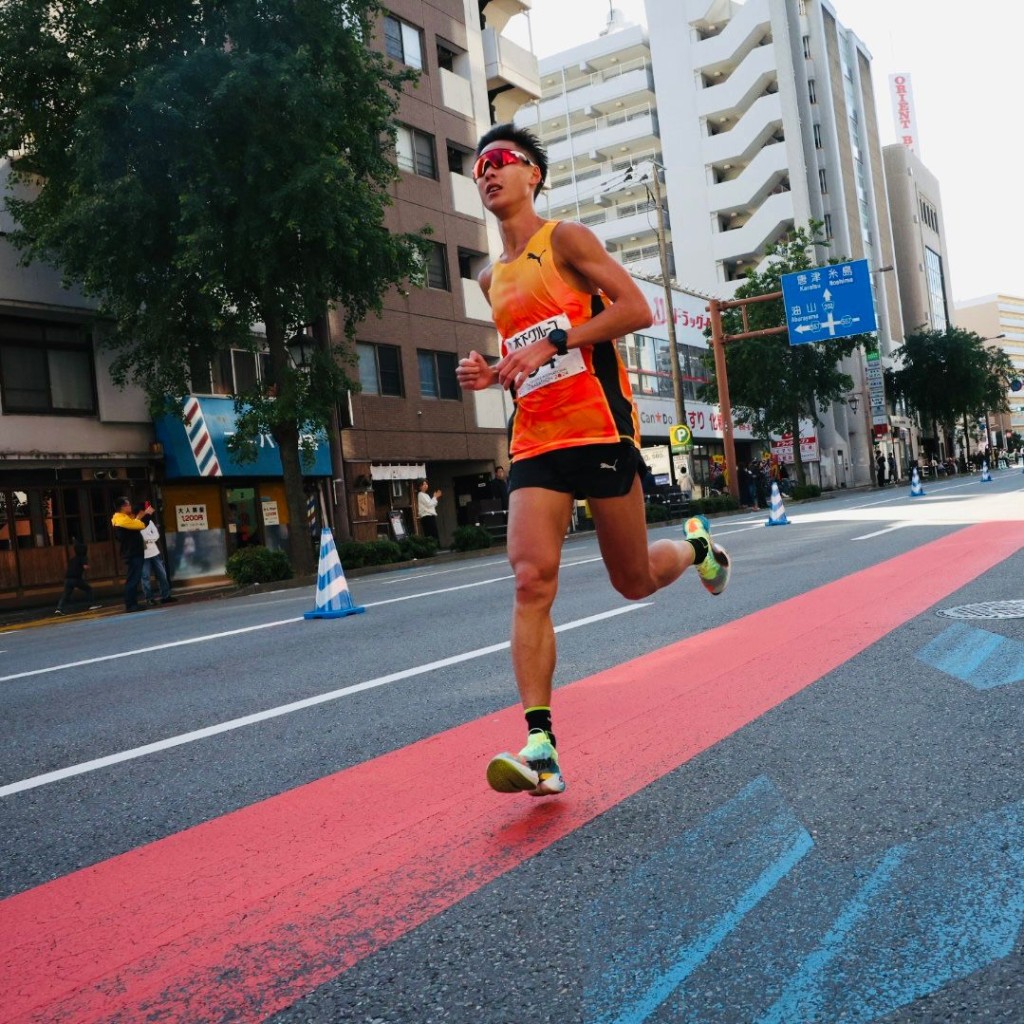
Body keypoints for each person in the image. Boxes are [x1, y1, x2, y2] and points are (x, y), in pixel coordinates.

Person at [456, 123, 731, 798]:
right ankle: (541, 746)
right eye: (478, 168)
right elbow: (530, 358)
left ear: (533, 175)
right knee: (529, 580)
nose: (486, 173)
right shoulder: (491, 278)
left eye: (499, 162)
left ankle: (696, 550)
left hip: (601, 433)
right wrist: (495, 371)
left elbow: (636, 309)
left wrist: (554, 339)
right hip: (536, 443)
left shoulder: (567, 241)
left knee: (633, 581)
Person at [111, 496, 154, 613]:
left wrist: (144, 514)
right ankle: (131, 605)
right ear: (123, 507)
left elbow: (137, 522)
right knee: (133, 579)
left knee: (133, 579)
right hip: (133, 553)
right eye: (128, 504)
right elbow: (139, 525)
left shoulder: (123, 518)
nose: (130, 506)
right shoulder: (122, 520)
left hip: (132, 552)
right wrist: (146, 515)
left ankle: (132, 604)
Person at [54, 541, 102, 615]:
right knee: (88, 589)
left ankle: (59, 609)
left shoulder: (72, 559)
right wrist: (91, 567)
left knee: (66, 594)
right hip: (76, 578)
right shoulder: (83, 557)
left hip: (68, 579)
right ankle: (92, 604)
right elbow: (85, 567)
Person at [141, 518, 177, 606]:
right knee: (145, 577)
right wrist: (150, 538)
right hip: (143, 554)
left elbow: (156, 535)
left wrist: (148, 539)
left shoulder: (149, 521)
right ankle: (149, 598)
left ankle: (166, 596)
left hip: (155, 552)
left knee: (162, 574)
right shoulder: (134, 523)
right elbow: (141, 537)